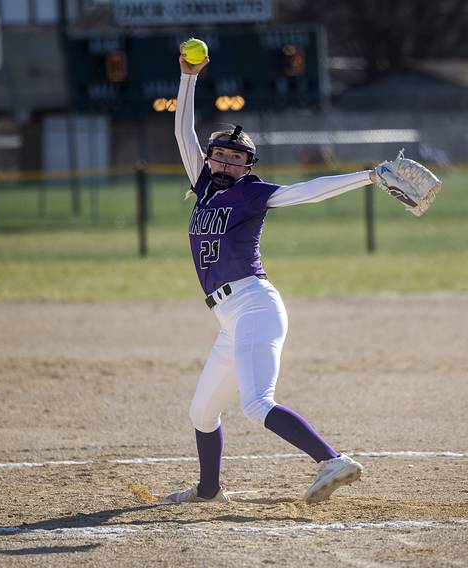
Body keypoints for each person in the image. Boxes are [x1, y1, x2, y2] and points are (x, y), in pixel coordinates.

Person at [166, 50, 389, 505]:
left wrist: (368, 176)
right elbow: (181, 131)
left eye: (236, 159)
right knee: (202, 412)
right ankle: (208, 490)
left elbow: (305, 192)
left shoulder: (252, 193)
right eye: (220, 157)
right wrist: (188, 78)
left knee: (255, 402)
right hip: (230, 318)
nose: (226, 164)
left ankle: (332, 460)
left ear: (249, 166)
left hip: (255, 305)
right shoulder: (205, 184)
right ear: (208, 161)